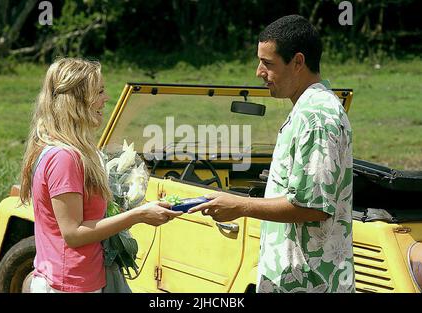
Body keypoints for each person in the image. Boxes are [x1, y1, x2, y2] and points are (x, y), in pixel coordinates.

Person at [189, 15, 355, 293]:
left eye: (268, 63)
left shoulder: (317, 118)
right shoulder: (307, 110)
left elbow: (312, 206)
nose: (259, 72)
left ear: (298, 62)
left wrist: (240, 206)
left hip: (309, 284)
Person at [19, 57, 182, 293]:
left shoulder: (64, 149)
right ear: (77, 101)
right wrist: (138, 215)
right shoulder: (65, 158)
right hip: (69, 285)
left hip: (73, 280)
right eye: (100, 91)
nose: (106, 98)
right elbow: (73, 234)